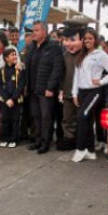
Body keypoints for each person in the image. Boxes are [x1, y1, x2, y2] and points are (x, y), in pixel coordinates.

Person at [71, 28, 108, 162]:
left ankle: (80, 149)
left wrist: (101, 81)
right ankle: (90, 151)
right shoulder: (82, 55)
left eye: (90, 38)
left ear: (95, 39)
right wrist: (74, 93)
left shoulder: (101, 55)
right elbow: (77, 76)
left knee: (81, 117)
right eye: (85, 38)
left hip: (95, 92)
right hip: (82, 92)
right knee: (85, 119)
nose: (87, 41)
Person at [26, 21, 64, 154]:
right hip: (33, 88)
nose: (33, 33)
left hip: (46, 89)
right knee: (36, 116)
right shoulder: (32, 46)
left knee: (46, 117)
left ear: (44, 31)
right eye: (32, 31)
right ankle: (37, 140)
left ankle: (45, 142)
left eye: (36, 30)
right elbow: (28, 65)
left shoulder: (54, 46)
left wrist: (50, 87)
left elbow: (57, 69)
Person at [56, 31, 81, 152]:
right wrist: (60, 89)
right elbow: (61, 74)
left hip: (81, 93)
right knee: (67, 118)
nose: (68, 43)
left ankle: (80, 139)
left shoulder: (84, 55)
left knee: (80, 118)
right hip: (66, 92)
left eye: (72, 39)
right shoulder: (64, 56)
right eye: (66, 40)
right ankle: (69, 138)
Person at [0, 48, 25, 148]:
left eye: (15, 54)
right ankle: (4, 138)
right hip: (5, 100)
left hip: (16, 100)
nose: (15, 56)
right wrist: (6, 99)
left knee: (15, 120)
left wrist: (13, 99)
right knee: (5, 119)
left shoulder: (19, 70)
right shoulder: (1, 71)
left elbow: (21, 85)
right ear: (6, 58)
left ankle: (14, 139)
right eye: (12, 55)